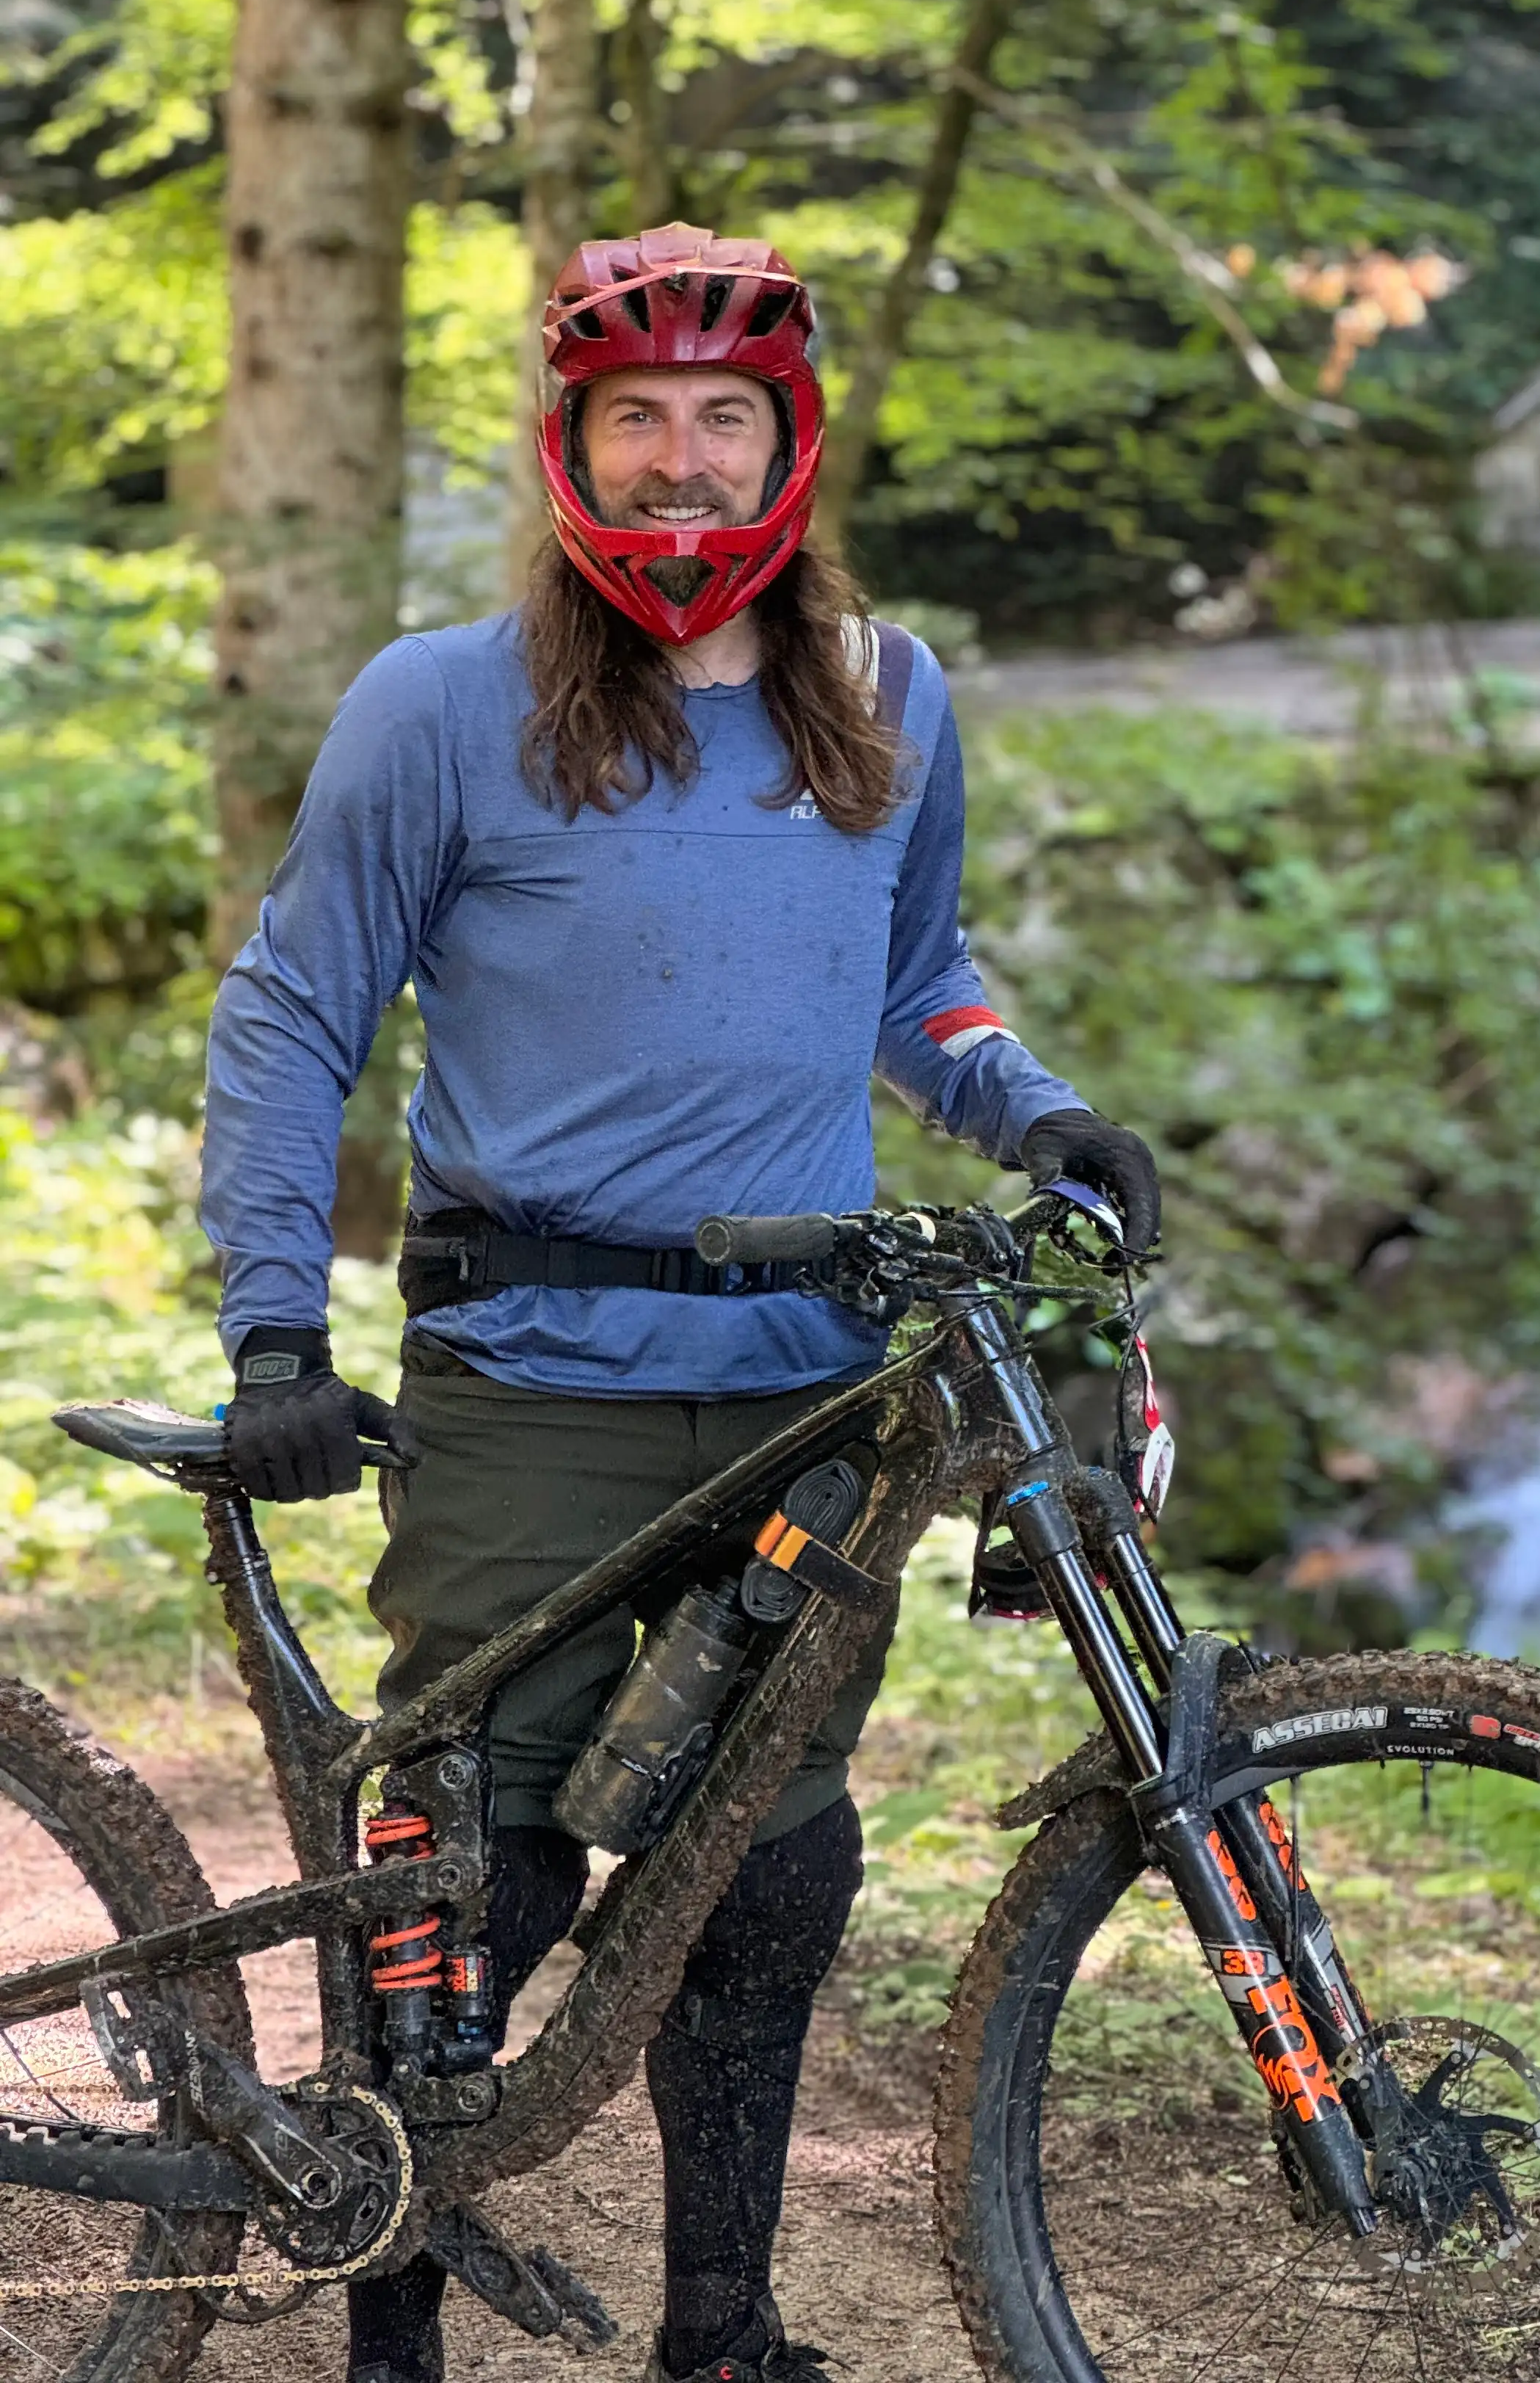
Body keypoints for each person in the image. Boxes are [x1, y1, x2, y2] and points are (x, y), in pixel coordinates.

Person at [197, 225, 1160, 2383]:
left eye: (726, 415)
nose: (682, 463)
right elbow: (292, 1013)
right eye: (636, 416)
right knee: (469, 1864)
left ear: (789, 441)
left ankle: (722, 2332)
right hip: (530, 1377)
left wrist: (1035, 1110)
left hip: (807, 1389)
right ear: (572, 443)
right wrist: (276, 1328)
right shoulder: (439, 705)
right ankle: (390, 2330)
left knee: (768, 1862)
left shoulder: (887, 692)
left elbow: (920, 979)